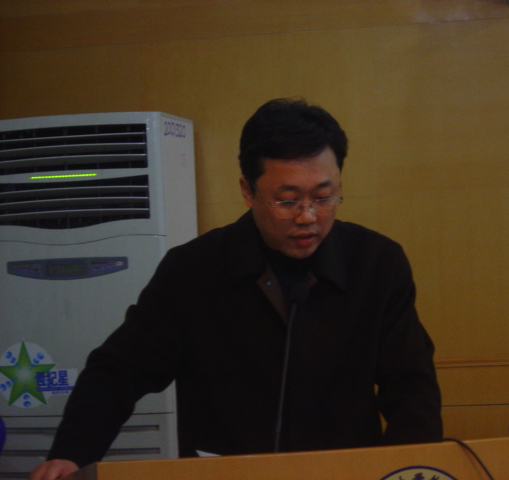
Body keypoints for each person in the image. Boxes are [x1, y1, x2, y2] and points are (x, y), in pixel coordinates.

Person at [30, 98, 442, 480]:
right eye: (287, 200)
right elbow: (119, 370)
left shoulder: (377, 263)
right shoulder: (193, 270)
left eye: (324, 196)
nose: (308, 216)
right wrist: (72, 452)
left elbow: (411, 386)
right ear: (247, 191)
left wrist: (412, 469)